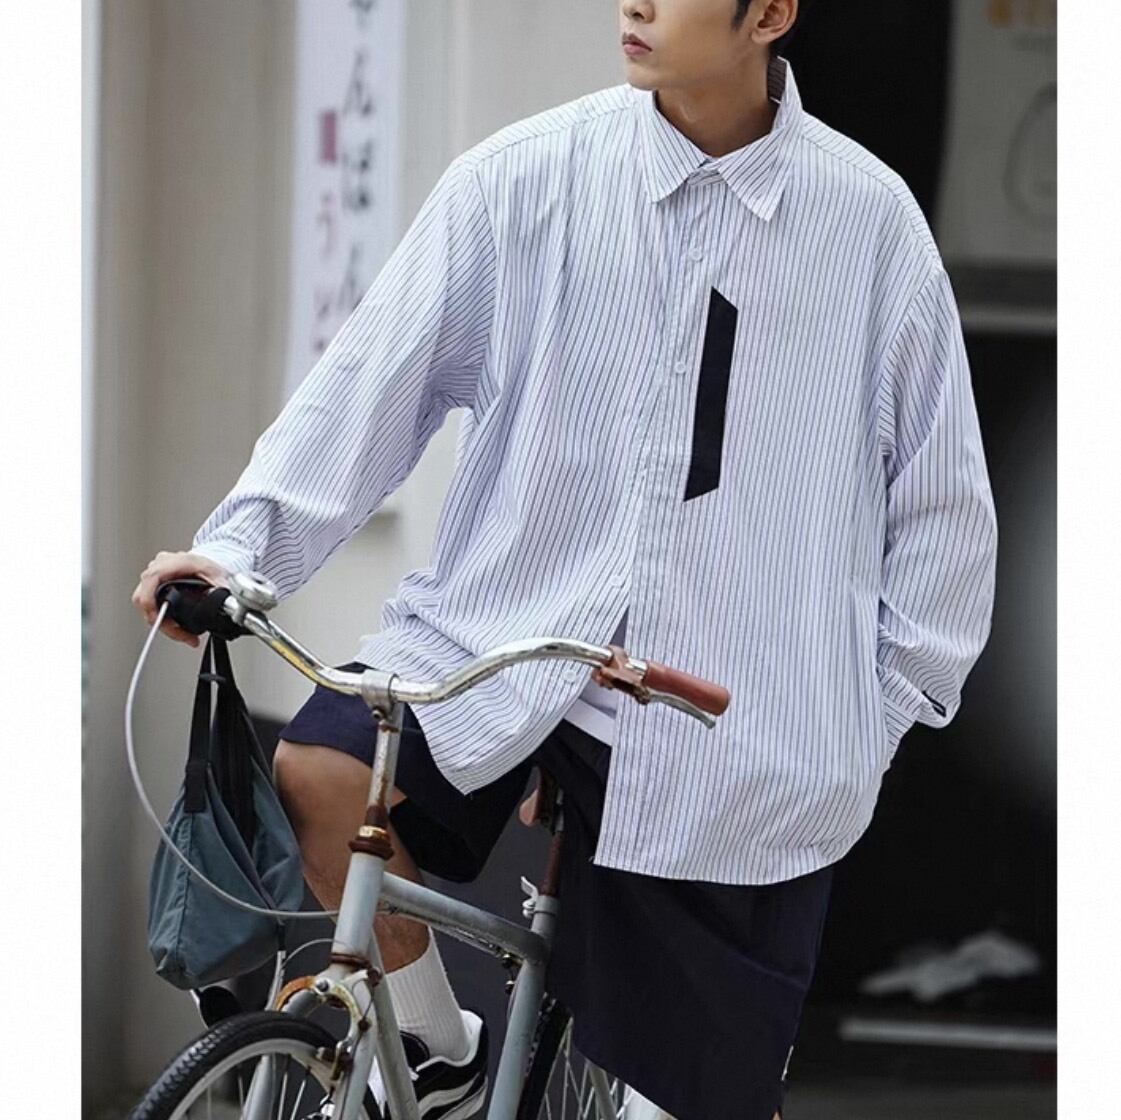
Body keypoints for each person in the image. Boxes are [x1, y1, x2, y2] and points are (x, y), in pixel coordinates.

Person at [132, 1, 998, 1116]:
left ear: (770, 14)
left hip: (734, 723)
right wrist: (236, 554)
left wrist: (863, 725)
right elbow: (365, 392)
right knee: (322, 771)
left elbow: (940, 506)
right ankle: (437, 1048)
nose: (632, 4)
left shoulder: (869, 227)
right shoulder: (520, 181)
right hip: (499, 643)